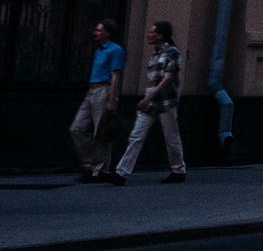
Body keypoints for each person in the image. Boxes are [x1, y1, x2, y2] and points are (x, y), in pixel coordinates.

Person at [112, 20, 187, 182]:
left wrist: (147, 97)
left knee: (171, 138)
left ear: (160, 35)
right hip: (151, 102)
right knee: (136, 136)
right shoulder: (155, 54)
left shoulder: (172, 52)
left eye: (152, 32)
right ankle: (121, 173)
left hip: (166, 102)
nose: (149, 35)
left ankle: (179, 171)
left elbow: (168, 78)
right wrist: (149, 98)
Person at [70, 21, 125, 181]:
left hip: (103, 89)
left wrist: (112, 98)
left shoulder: (115, 50)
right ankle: (90, 164)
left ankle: (99, 170)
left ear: (108, 33)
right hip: (92, 89)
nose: (95, 32)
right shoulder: (100, 50)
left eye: (99, 30)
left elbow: (115, 76)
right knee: (77, 128)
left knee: (101, 132)